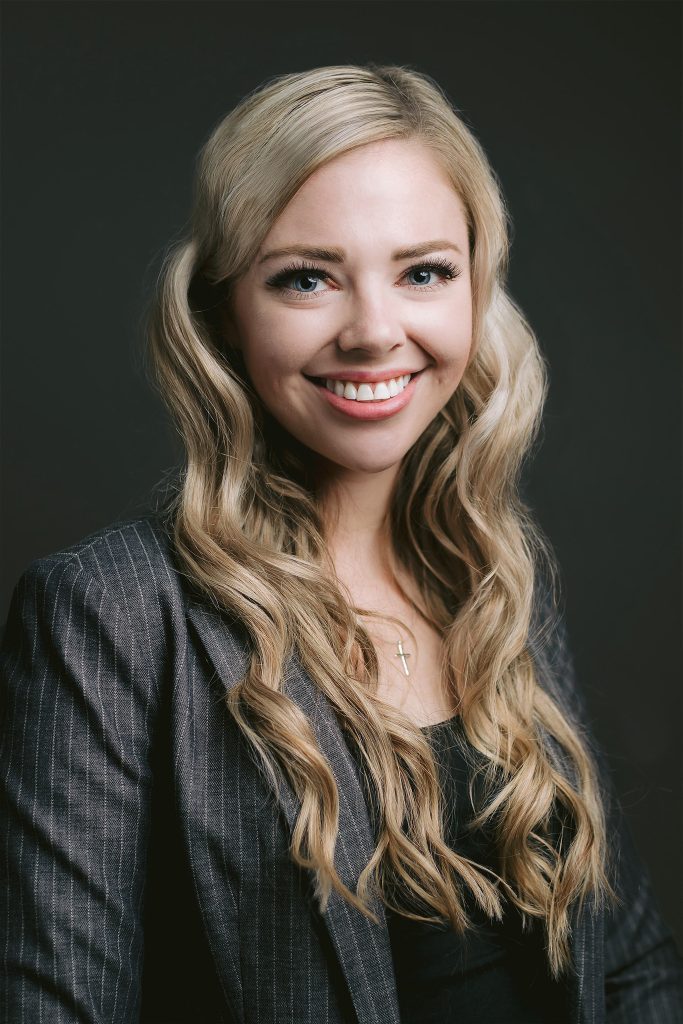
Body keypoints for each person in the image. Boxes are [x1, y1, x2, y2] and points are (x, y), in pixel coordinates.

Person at [1, 63, 681, 1024]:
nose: (373, 331)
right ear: (221, 317)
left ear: (477, 293)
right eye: (307, 278)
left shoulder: (494, 583)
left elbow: (627, 967)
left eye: (424, 272)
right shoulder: (109, 612)